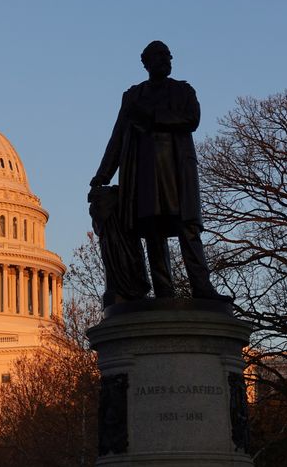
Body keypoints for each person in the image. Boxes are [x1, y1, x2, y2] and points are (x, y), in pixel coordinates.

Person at [90, 40, 232, 302]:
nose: (166, 61)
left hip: (177, 171)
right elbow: (118, 136)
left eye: (168, 57)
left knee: (188, 228)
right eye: (159, 57)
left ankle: (202, 288)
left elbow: (191, 119)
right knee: (153, 232)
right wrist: (103, 175)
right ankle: (164, 292)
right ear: (146, 63)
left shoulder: (182, 91)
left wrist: (152, 117)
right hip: (144, 173)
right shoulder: (133, 96)